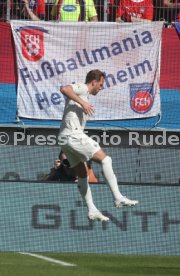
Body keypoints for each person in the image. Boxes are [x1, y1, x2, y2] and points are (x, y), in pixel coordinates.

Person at [58, 69, 138, 222]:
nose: (101, 88)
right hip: (73, 135)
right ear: (93, 82)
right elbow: (64, 89)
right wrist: (83, 103)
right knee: (106, 160)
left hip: (64, 138)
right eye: (100, 85)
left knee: (82, 173)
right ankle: (118, 197)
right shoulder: (82, 88)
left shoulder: (84, 94)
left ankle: (92, 210)